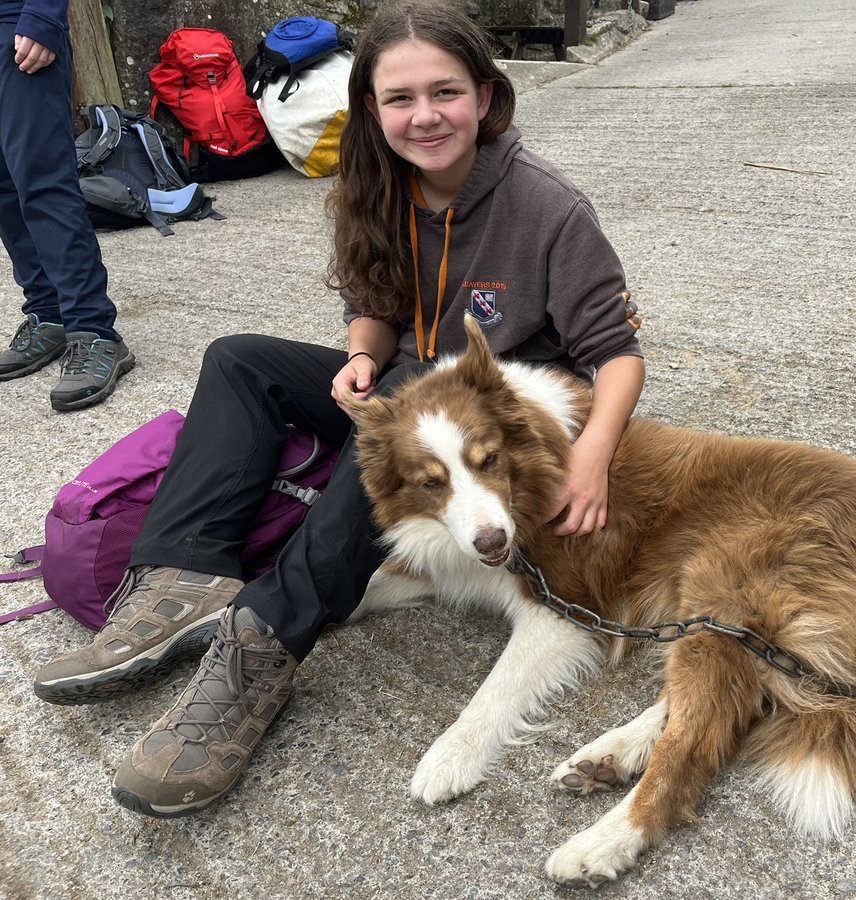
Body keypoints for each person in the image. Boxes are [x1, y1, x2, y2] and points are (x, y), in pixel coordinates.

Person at [33, 0, 645, 818]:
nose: (425, 115)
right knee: (239, 360)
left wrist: (597, 453)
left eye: (446, 92)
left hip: (499, 424)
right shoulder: (374, 187)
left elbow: (618, 352)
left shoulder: (548, 207)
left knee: (388, 441)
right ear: (371, 109)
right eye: (400, 98)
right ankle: (183, 581)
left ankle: (262, 646)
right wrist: (361, 352)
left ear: (487, 97)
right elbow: (374, 305)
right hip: (405, 389)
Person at [0, 0, 135, 410]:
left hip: (17, 26)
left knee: (44, 182)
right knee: (4, 187)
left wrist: (43, 14)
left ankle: (92, 329)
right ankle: (48, 312)